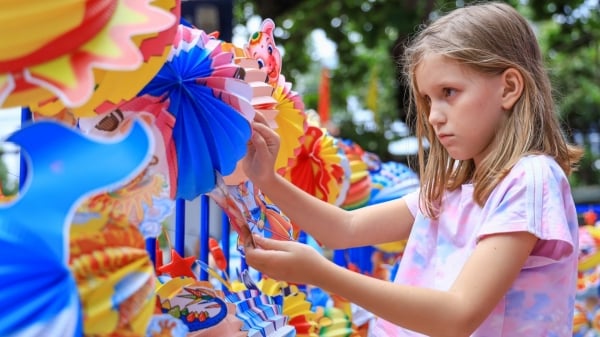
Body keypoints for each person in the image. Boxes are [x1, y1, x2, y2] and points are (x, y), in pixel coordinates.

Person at [240, 2, 583, 336]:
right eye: (428, 100)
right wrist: (266, 178)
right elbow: (344, 229)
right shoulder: (452, 187)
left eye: (449, 92)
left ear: (509, 87)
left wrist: (322, 274)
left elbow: (457, 316)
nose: (434, 116)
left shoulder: (530, 179)